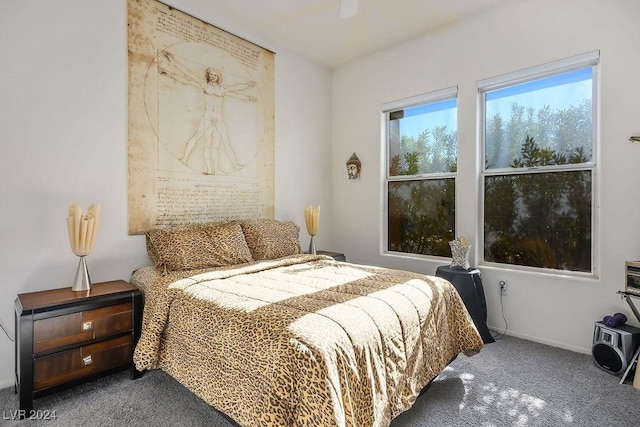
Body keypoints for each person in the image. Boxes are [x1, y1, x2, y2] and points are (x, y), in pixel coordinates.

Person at [158, 51, 257, 175]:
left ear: (218, 77)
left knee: (223, 143)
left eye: (215, 75)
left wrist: (248, 94)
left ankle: (233, 165)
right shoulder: (205, 86)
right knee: (198, 138)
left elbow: (236, 91)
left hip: (218, 118)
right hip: (208, 117)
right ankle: (185, 159)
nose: (212, 77)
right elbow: (187, 77)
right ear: (208, 76)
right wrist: (170, 70)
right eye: (211, 75)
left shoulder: (222, 89)